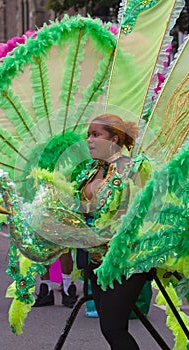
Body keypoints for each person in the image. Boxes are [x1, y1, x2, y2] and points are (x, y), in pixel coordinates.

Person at [76, 113, 151, 349]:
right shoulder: (90, 171)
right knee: (109, 328)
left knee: (113, 328)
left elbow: (140, 213)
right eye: (88, 134)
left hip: (124, 259)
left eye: (96, 134)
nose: (89, 139)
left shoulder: (132, 168)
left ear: (115, 139)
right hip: (97, 258)